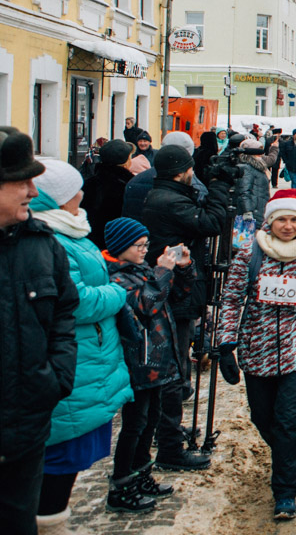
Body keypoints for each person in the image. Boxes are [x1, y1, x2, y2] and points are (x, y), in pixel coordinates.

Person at [216, 190, 296, 522]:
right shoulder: (249, 255)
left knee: (288, 423)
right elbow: (230, 301)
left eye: (294, 219)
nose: (288, 225)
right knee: (262, 418)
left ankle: (285, 493)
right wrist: (225, 345)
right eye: (282, 219)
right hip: (256, 350)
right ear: (270, 221)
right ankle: (286, 454)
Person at [30, 161, 132, 531]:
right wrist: (117, 291)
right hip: (75, 359)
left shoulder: (68, 228)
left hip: (89, 357)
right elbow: (77, 301)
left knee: (64, 461)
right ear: (58, 198)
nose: (82, 194)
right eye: (74, 190)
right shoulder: (53, 238)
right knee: (56, 461)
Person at [0, 129, 79, 535]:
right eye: (22, 182)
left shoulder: (41, 244)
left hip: (26, 429)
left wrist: (55, 376)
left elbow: (64, 312)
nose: (33, 191)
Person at [142, 145, 236, 472]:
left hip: (177, 289)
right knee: (175, 369)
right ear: (182, 171)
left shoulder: (165, 195)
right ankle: (169, 445)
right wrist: (220, 186)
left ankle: (166, 430)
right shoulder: (169, 201)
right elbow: (211, 222)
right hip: (177, 294)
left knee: (176, 366)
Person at [104, 218, 191, 514]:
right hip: (138, 363)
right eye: (137, 245)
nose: (144, 250)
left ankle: (142, 474)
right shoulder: (116, 278)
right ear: (120, 247)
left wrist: (181, 269)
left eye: (145, 244)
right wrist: (163, 270)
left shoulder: (140, 270)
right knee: (134, 424)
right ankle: (121, 484)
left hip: (156, 361)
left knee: (150, 418)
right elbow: (146, 304)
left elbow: (176, 296)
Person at [81, 139, 135, 249]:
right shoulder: (128, 186)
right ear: (125, 162)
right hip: (117, 245)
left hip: (88, 244)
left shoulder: (88, 183)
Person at [233, 138, 271, 226]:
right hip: (254, 210)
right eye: (258, 153)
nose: (261, 155)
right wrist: (248, 211)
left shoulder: (258, 167)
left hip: (259, 207)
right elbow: (244, 191)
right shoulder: (247, 168)